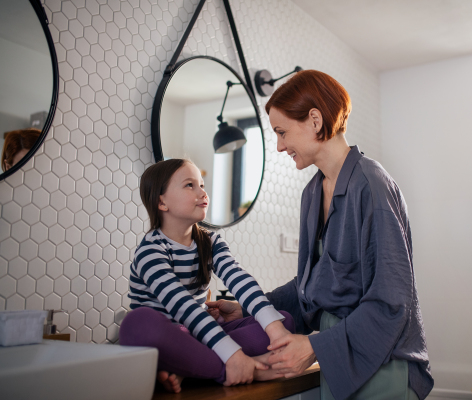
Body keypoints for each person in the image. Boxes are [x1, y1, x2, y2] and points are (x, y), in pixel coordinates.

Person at [207, 70, 433, 400]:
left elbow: (391, 301)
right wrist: (252, 308)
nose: (281, 146)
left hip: (384, 362)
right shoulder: (312, 194)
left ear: (314, 120)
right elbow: (313, 287)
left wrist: (315, 346)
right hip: (339, 358)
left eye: (282, 132)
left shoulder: (371, 186)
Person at [119, 158, 294, 393]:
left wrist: (276, 329)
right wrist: (233, 356)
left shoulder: (211, 242)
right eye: (190, 185)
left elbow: (238, 278)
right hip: (172, 338)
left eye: (202, 184)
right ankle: (234, 369)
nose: (203, 192)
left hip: (202, 336)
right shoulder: (151, 251)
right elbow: (182, 306)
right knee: (136, 323)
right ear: (161, 201)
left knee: (284, 319)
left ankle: (191, 369)